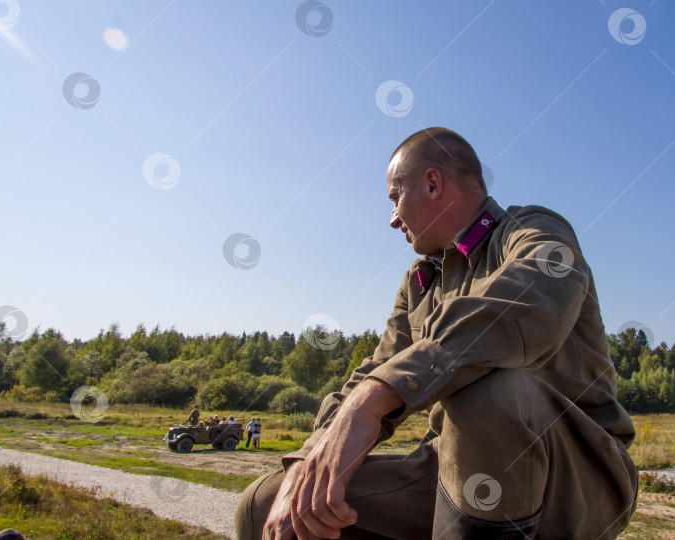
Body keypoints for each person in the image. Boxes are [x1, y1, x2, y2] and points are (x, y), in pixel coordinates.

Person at [235, 128, 638, 539]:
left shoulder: (532, 230)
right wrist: (306, 463)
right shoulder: (419, 281)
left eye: (395, 197)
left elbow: (533, 298)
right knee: (268, 503)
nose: (392, 219)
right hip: (452, 467)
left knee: (488, 393)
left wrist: (374, 399)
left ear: (432, 183)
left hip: (577, 471)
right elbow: (374, 369)